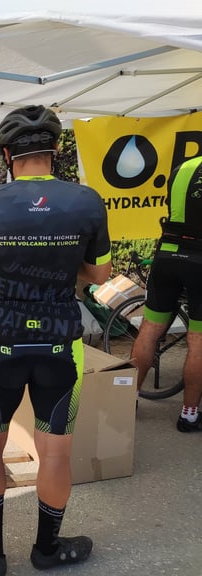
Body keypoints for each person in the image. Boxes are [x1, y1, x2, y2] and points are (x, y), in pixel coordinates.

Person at [0, 105, 112, 575]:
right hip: (60, 345)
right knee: (55, 451)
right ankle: (47, 550)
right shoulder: (86, 201)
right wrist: (65, 264)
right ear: (55, 150)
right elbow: (100, 274)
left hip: (2, 344)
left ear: (6, 155)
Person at [130, 155, 202, 432]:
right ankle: (189, 415)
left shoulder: (184, 167)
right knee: (198, 340)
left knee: (150, 329)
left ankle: (128, 400)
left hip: (168, 255)